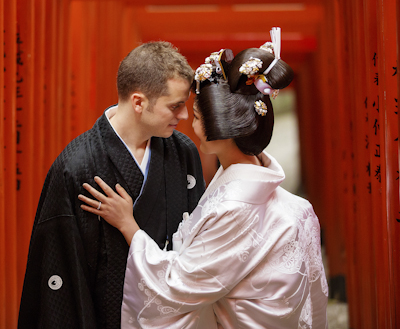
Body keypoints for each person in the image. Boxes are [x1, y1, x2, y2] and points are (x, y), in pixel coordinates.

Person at [79, 28, 329, 328]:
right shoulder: (297, 208)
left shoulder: (234, 207)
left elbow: (177, 285)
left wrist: (128, 225)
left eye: (196, 116)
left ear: (220, 129)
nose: (186, 120)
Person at [18, 41, 206, 328]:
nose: (183, 116)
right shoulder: (77, 166)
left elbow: (200, 248)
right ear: (139, 102)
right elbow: (61, 275)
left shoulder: (183, 152)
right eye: (175, 106)